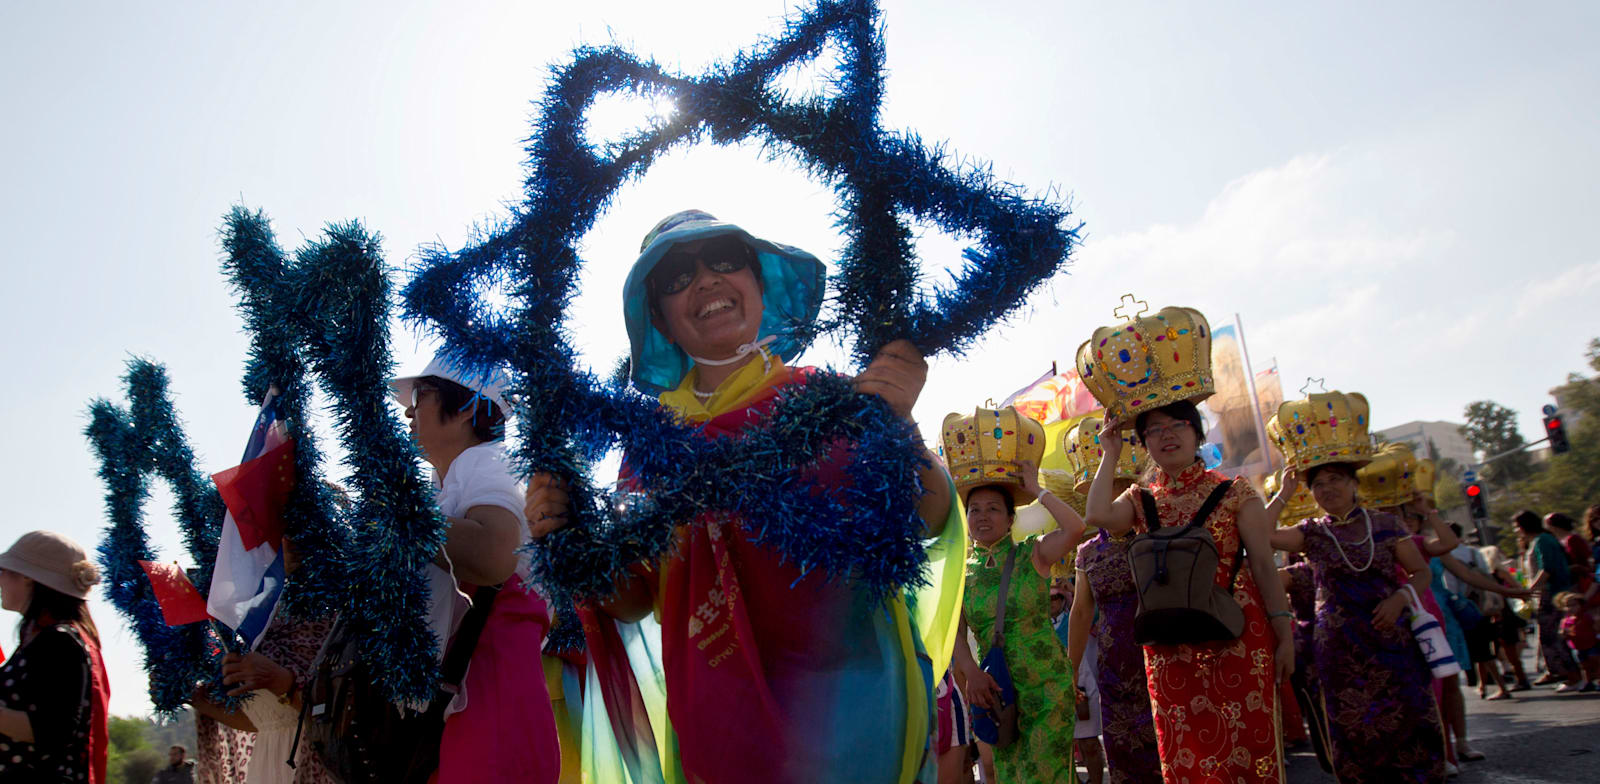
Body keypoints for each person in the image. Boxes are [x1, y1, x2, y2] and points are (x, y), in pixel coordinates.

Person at [526, 211, 965, 783]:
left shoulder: (829, 401)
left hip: (857, 721)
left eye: (725, 260)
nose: (706, 280)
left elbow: (927, 516)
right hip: (720, 734)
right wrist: (566, 539)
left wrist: (899, 420)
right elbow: (634, 597)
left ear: (759, 285)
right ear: (659, 318)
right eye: (677, 275)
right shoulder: (647, 452)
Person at [1085, 402, 1292, 783]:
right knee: (1185, 755)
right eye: (1154, 429)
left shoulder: (1235, 492)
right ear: (1144, 443)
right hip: (1169, 648)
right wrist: (1110, 452)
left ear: (1197, 433)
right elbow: (1096, 514)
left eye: (1177, 425)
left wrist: (1284, 631)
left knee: (1247, 750)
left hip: (1237, 639)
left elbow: (1264, 565)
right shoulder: (1139, 500)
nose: (1167, 435)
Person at [391, 356, 561, 783]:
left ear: (467, 407)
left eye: (421, 395)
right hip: (474, 703)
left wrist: (399, 518)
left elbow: (493, 554)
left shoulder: (487, 462)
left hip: (492, 701)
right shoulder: (450, 482)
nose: (409, 410)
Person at [1266, 463, 1445, 783]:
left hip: (1392, 639)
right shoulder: (1312, 531)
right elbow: (1262, 534)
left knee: (1411, 719)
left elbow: (1422, 573)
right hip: (1339, 648)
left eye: (1335, 479)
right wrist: (1284, 493)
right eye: (1318, 484)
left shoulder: (1386, 524)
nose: (1326, 489)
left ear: (1353, 484)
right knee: (1352, 731)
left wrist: (1399, 599)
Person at [952, 462, 1083, 784]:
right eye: (975, 510)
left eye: (993, 509)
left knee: (1046, 774)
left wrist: (1037, 489)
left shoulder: (1032, 554)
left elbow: (1075, 528)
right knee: (1010, 774)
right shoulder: (960, 573)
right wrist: (971, 674)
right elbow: (956, 631)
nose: (982, 516)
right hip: (996, 688)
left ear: (1011, 519)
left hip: (1047, 684)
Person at [188, 536, 335, 784]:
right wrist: (198, 700)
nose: (289, 543)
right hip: (269, 767)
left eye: (300, 530)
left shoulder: (342, 613)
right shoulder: (262, 618)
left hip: (323, 769)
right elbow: (265, 720)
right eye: (279, 532)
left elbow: (344, 714)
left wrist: (283, 683)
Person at [0, 530, 110, 783]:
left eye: (3, 571)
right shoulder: (43, 639)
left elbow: (54, 731)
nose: (0, 580)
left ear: (27, 577)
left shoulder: (58, 642)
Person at [1066, 525, 1161, 783]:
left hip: (1160, 657)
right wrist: (1071, 669)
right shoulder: (1088, 552)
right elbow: (1081, 612)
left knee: (1166, 745)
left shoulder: (1155, 534)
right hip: (1113, 665)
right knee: (1122, 750)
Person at [1514, 510, 1581, 690]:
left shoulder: (1543, 541)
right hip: (1548, 594)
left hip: (1553, 594)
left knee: (1554, 636)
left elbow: (1547, 568)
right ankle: (1564, 672)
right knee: (1550, 636)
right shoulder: (1542, 540)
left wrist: (1530, 589)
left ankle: (1571, 675)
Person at [1051, 578, 1103, 784]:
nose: (1051, 602)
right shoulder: (1036, 627)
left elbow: (1096, 612)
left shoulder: (1075, 618)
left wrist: (1074, 589)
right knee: (1059, 747)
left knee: (1089, 743)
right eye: (1047, 598)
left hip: (1082, 683)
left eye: (1056, 597)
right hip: (1051, 687)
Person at [1556, 591, 1600, 689]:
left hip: (1591, 644)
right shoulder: (1566, 620)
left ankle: (1597, 680)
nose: (1571, 608)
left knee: (1595, 661)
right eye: (1568, 606)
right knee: (1583, 665)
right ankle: (1588, 682)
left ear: (1580, 605)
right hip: (1578, 647)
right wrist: (1564, 633)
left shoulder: (1586, 617)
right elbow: (1562, 633)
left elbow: (1595, 627)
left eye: (1574, 605)